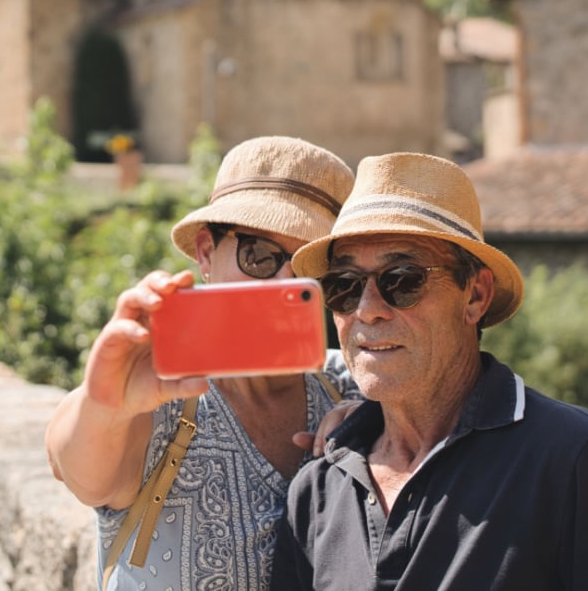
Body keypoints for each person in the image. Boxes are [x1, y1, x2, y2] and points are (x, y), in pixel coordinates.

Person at [273, 152, 588, 590]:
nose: (367, 309)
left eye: (402, 279)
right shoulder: (318, 487)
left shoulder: (574, 458)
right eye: (343, 285)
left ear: (476, 295)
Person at [45, 136, 360, 590]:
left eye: (312, 266)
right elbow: (79, 471)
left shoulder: (353, 388)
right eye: (260, 255)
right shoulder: (163, 391)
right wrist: (105, 404)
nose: (282, 281)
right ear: (206, 253)